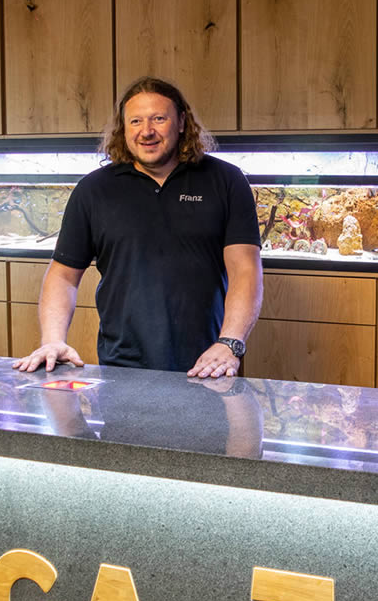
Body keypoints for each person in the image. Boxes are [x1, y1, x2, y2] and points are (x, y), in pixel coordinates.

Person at [13, 77, 262, 378]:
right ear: (124, 128)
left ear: (182, 122)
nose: (146, 131)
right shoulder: (94, 190)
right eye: (136, 121)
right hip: (121, 365)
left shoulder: (226, 181)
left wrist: (230, 343)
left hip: (208, 363)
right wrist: (53, 340)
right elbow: (63, 275)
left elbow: (245, 270)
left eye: (159, 119)